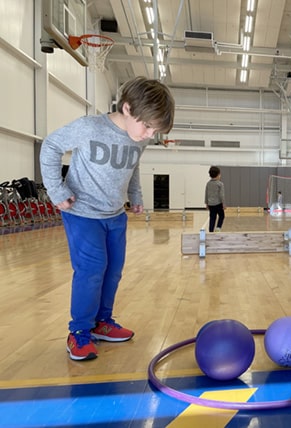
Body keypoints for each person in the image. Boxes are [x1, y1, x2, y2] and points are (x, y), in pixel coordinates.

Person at [40, 76, 175, 361]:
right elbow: (51, 146)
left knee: (113, 269)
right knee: (92, 270)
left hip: (115, 215)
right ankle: (79, 332)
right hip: (82, 213)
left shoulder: (139, 138)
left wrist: (136, 196)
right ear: (127, 108)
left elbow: (133, 167)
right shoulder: (90, 127)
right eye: (148, 126)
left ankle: (102, 322)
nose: (150, 134)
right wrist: (56, 189)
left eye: (155, 129)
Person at [205, 166, 225, 232]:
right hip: (218, 204)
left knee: (212, 218)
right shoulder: (220, 184)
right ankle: (218, 228)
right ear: (218, 175)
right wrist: (223, 204)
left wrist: (206, 203)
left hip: (211, 204)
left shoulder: (208, 183)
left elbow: (206, 194)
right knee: (222, 216)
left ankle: (211, 231)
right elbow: (221, 195)